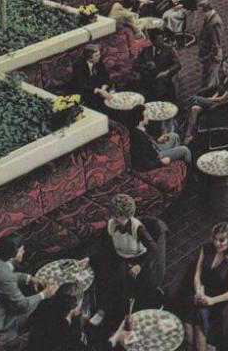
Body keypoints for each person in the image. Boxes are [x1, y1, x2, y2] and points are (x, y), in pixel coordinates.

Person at [90, 194, 159, 324]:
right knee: (106, 272)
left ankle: (110, 312)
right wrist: (88, 259)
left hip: (139, 260)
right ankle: (106, 310)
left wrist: (139, 265)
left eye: (118, 217)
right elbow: (102, 243)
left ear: (127, 216)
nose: (114, 219)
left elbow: (154, 250)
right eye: (113, 216)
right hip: (120, 257)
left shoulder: (137, 228)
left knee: (122, 281)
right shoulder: (111, 224)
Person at [0, 235, 56, 341]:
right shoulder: (5, 276)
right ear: (13, 254)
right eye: (21, 250)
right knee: (43, 304)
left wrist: (29, 278)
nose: (24, 251)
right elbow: (23, 305)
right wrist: (45, 294)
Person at [184, 222, 228, 351]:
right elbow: (198, 272)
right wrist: (198, 291)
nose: (217, 243)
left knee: (200, 320)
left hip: (217, 296)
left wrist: (212, 300)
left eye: (221, 240)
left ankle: (203, 346)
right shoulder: (206, 248)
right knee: (188, 332)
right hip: (200, 290)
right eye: (215, 239)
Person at [28, 283, 129, 351]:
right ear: (74, 308)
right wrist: (116, 338)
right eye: (81, 302)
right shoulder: (69, 336)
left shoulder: (47, 304)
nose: (82, 304)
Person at [184, 56, 228, 144]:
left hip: (221, 106)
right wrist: (210, 98)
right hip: (215, 101)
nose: (224, 69)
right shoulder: (224, 76)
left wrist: (209, 99)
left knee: (193, 99)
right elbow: (218, 91)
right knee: (194, 108)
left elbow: (222, 98)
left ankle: (185, 124)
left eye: (227, 67)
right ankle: (189, 134)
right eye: (223, 66)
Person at [128, 103, 191, 170]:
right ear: (140, 117)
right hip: (156, 156)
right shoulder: (136, 137)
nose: (148, 117)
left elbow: (148, 140)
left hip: (154, 147)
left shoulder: (141, 127)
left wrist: (157, 140)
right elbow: (143, 163)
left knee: (174, 136)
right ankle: (188, 173)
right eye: (146, 115)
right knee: (185, 150)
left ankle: (176, 161)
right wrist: (161, 162)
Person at [134, 29, 181, 101]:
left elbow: (178, 65)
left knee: (161, 90)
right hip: (148, 79)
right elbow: (136, 65)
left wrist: (166, 72)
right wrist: (146, 66)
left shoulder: (168, 49)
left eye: (162, 39)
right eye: (158, 40)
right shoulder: (146, 50)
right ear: (153, 41)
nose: (161, 42)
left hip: (163, 79)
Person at [69, 44, 111, 109]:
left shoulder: (98, 60)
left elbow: (105, 75)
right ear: (89, 57)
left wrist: (103, 88)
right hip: (85, 92)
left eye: (99, 54)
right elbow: (80, 84)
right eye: (96, 55)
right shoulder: (78, 65)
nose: (99, 57)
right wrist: (98, 91)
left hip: (97, 88)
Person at [198, 0, 224, 88]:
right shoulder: (209, 18)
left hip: (212, 56)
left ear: (207, 10)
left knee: (211, 82)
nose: (202, 14)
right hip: (208, 54)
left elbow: (216, 43)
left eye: (202, 12)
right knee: (209, 77)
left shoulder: (214, 23)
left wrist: (210, 57)